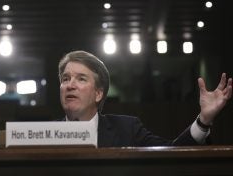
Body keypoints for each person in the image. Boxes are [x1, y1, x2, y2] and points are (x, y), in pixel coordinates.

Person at [58, 50, 232, 147]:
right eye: (66, 79)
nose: (70, 85)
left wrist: (204, 120)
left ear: (98, 93)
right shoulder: (40, 135)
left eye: (81, 79)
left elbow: (172, 153)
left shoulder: (127, 129)